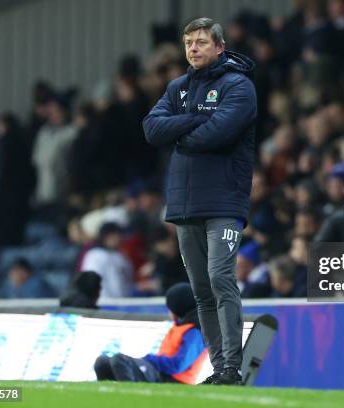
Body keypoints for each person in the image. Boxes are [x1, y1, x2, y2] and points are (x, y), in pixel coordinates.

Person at [143, 17, 256, 385]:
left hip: (225, 202)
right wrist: (192, 119)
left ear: (219, 46)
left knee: (221, 279)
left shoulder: (239, 86)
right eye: (189, 42)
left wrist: (181, 129)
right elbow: (151, 128)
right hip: (185, 204)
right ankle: (220, 367)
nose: (193, 48)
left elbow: (216, 134)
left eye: (201, 42)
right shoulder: (177, 87)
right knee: (201, 292)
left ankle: (232, 368)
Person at [94, 282, 207, 384]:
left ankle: (131, 399)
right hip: (159, 372)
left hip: (174, 379)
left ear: (178, 308)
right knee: (102, 362)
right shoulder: (180, 325)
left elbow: (179, 364)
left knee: (120, 360)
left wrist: (150, 359)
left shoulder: (195, 331)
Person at [79, 222, 134, 300]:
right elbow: (93, 282)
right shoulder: (97, 255)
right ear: (106, 237)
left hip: (118, 303)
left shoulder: (119, 255)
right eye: (115, 236)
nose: (119, 239)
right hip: (105, 303)